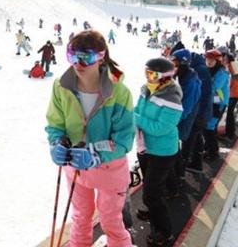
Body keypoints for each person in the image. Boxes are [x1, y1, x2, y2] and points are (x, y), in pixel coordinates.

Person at [45, 30, 135, 247]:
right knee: (80, 217)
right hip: (75, 167)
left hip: (109, 169)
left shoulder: (119, 92)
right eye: (72, 56)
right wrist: (57, 142)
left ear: (101, 57)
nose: (78, 63)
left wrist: (96, 154)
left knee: (110, 221)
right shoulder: (61, 86)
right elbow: (55, 123)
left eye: (86, 57)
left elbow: (124, 139)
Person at [134, 57, 182, 246]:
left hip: (162, 152)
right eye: (146, 73)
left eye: (153, 74)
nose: (148, 77)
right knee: (151, 187)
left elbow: (159, 128)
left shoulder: (172, 99)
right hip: (145, 146)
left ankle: (164, 231)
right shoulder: (147, 89)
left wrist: (134, 117)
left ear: (165, 77)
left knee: (151, 193)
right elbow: (138, 109)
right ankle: (154, 211)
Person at [166, 49, 201, 198]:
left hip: (184, 118)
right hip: (180, 117)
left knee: (175, 146)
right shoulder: (182, 76)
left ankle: (176, 177)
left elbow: (186, 108)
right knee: (175, 146)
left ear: (183, 64)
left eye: (175, 64)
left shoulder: (190, 81)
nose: (172, 67)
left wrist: (172, 122)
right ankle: (178, 173)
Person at [203, 49, 230, 160]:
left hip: (218, 105)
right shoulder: (209, 70)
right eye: (207, 59)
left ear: (218, 61)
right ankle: (208, 148)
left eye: (212, 60)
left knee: (209, 128)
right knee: (208, 128)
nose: (209, 62)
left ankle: (213, 153)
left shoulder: (221, 73)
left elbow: (214, 87)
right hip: (211, 103)